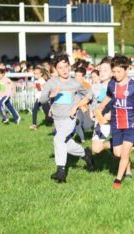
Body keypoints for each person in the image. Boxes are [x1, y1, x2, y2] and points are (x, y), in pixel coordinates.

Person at [99, 55, 134, 189]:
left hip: (132, 123)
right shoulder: (112, 84)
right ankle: (128, 167)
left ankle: (118, 179)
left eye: (119, 72)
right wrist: (100, 107)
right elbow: (108, 96)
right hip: (116, 123)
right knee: (118, 153)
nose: (116, 74)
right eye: (114, 71)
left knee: (124, 152)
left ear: (127, 70)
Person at [40, 54, 95, 183]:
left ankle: (61, 171)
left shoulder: (75, 83)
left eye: (66, 67)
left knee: (58, 139)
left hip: (70, 118)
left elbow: (90, 93)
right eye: (60, 68)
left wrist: (77, 106)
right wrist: (50, 95)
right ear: (55, 70)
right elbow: (42, 99)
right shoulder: (51, 83)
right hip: (57, 120)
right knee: (66, 144)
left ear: (69, 67)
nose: (64, 70)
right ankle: (85, 154)